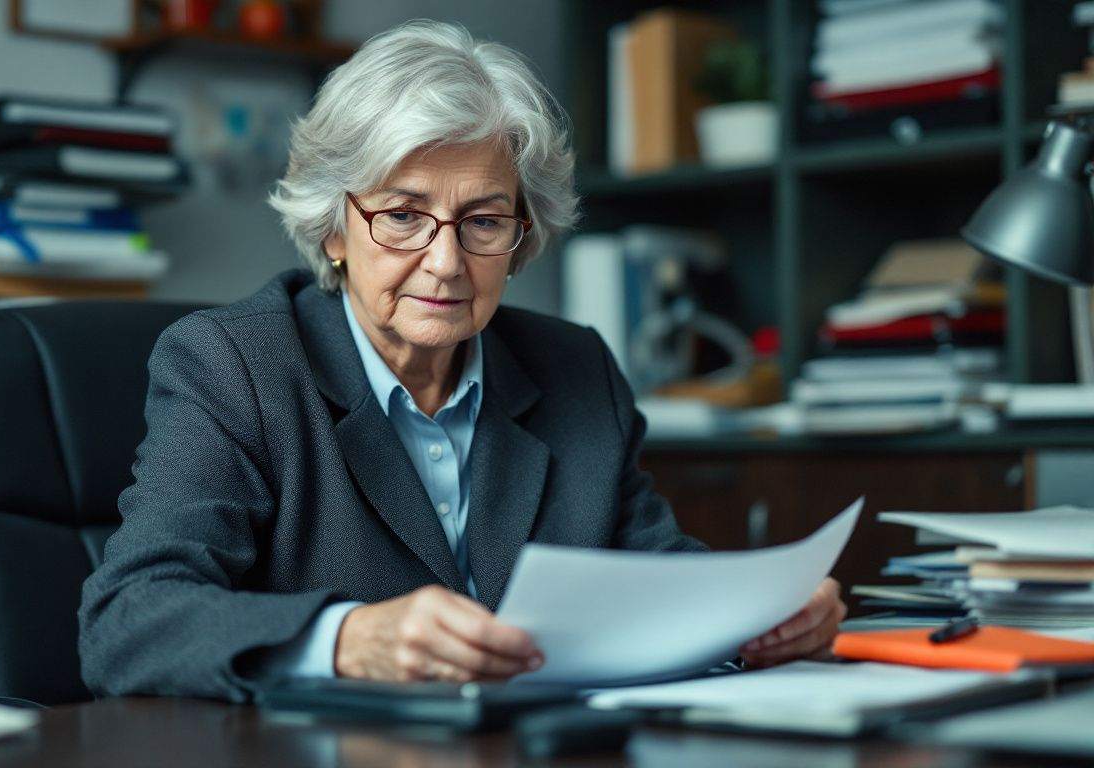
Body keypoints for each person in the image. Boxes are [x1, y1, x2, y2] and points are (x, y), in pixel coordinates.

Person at [78, 20, 846, 703]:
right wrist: (348, 641)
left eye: (482, 221)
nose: (445, 262)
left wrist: (759, 619)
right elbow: (128, 620)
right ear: (334, 228)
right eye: (403, 216)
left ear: (523, 235)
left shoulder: (575, 370)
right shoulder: (234, 368)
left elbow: (655, 577)